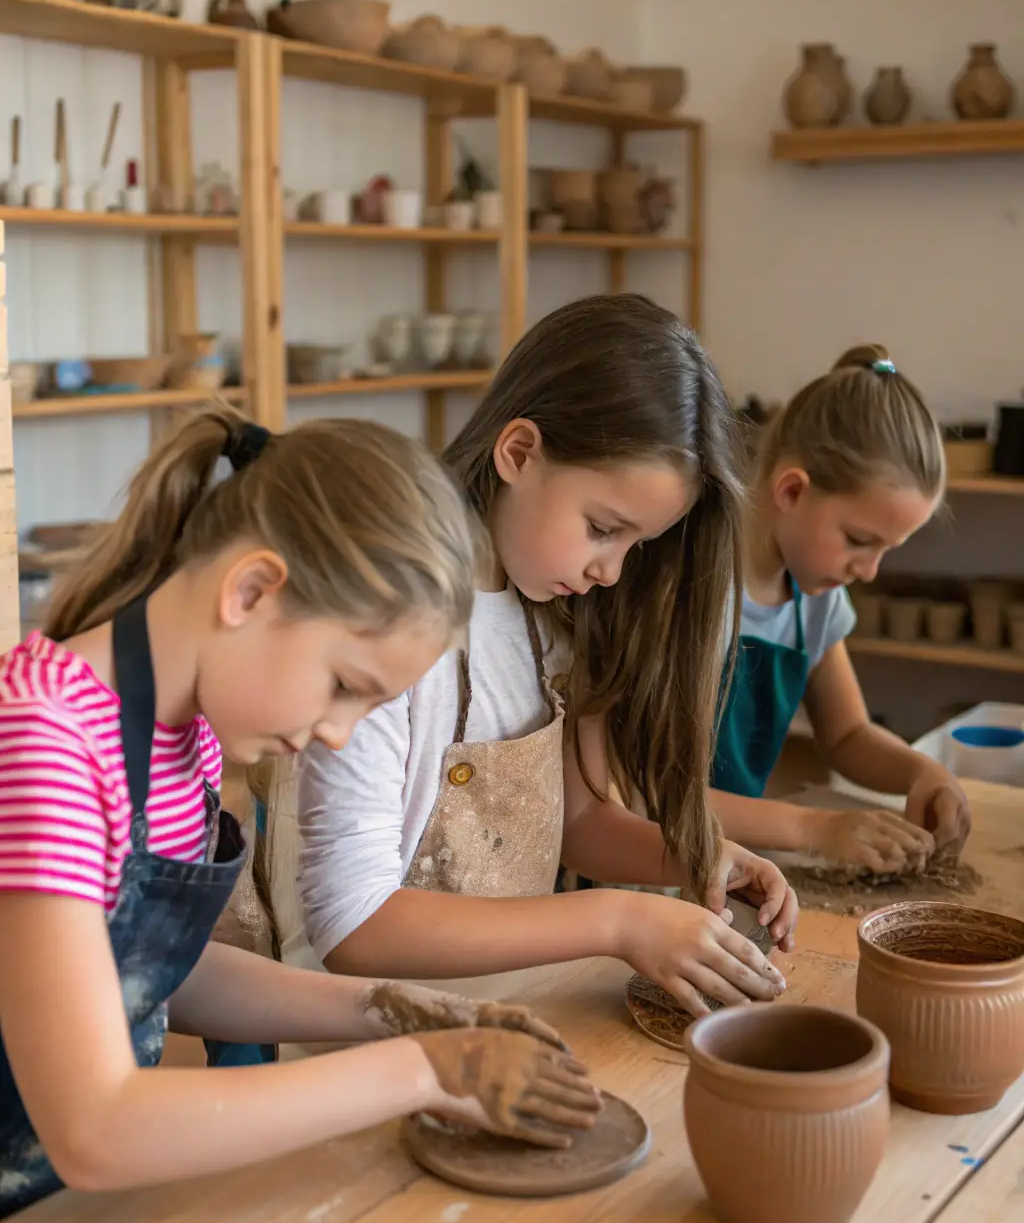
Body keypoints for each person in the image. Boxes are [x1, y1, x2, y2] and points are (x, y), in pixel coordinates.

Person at [0, 408, 601, 1220]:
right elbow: (94, 1125)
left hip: (59, 1207)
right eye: (345, 684)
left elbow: (146, 970)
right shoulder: (46, 741)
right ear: (251, 590)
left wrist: (381, 1007)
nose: (338, 731)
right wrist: (424, 1069)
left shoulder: (184, 739)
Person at [281, 294, 795, 1028]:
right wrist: (618, 921)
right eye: (601, 528)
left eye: (634, 545)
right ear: (518, 452)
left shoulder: (549, 614)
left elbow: (570, 821)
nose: (612, 572)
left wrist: (695, 855)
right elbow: (353, 923)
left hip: (504, 1017)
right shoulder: (386, 620)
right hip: (354, 1039)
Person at [710, 344, 971, 872]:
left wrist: (923, 773)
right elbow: (651, 799)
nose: (869, 570)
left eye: (886, 550)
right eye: (857, 539)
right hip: (642, 873)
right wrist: (815, 827)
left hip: (727, 859)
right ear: (791, 490)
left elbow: (848, 736)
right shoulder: (698, 592)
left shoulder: (816, 599)